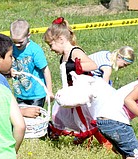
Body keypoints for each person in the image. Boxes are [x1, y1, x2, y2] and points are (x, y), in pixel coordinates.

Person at [43, 17, 104, 145]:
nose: (51, 49)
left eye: (51, 45)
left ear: (60, 39)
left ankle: (105, 142)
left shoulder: (75, 51)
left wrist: (77, 67)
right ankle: (56, 135)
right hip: (70, 91)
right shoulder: (64, 56)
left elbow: (93, 65)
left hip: (81, 91)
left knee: (85, 118)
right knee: (59, 114)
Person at [10, 19, 53, 118]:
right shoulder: (12, 48)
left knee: (34, 118)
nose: (17, 45)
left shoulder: (35, 50)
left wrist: (49, 91)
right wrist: (10, 71)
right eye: (14, 41)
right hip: (20, 92)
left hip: (36, 93)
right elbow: (10, 64)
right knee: (22, 118)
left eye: (20, 42)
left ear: (28, 36)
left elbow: (45, 70)